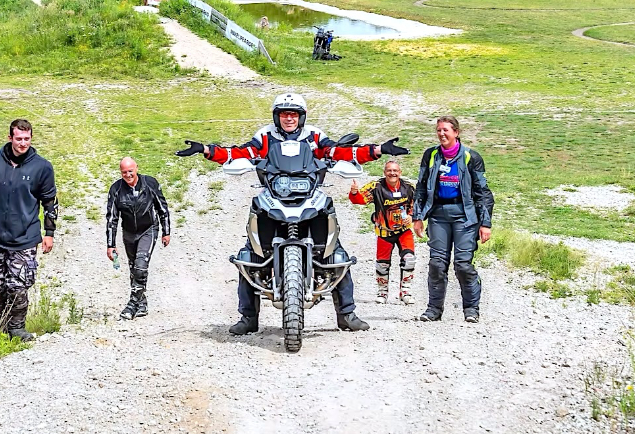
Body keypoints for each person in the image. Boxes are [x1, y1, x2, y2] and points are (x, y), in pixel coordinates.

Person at [175, 91, 408, 336]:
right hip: (273, 196)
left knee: (337, 254)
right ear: (277, 117)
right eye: (284, 114)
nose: (289, 118)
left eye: (294, 114)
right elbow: (239, 153)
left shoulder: (314, 136)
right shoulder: (265, 136)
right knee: (248, 255)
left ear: (301, 117)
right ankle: (248, 317)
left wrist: (379, 149)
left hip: (311, 195)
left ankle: (346, 315)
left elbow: (339, 152)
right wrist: (205, 150)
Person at [0, 118, 58, 341]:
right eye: (18, 139)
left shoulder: (42, 167)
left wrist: (50, 233)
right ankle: (6, 318)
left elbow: (50, 203)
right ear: (10, 138)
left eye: (27, 139)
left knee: (18, 286)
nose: (23, 143)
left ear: (31, 139)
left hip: (24, 237)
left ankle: (16, 328)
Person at [412, 115, 494, 324]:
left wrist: (485, 223)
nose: (441, 134)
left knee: (463, 265)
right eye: (439, 130)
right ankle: (433, 310)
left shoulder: (470, 157)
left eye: (446, 130)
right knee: (437, 264)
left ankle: (471, 309)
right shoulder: (430, 156)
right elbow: (421, 186)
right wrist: (417, 217)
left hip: (465, 217)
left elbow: (483, 192)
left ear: (456, 132)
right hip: (438, 216)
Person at [106, 157, 171, 320]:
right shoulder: (116, 189)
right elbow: (112, 218)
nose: (128, 175)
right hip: (129, 232)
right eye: (124, 172)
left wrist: (166, 231)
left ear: (136, 169)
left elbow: (162, 207)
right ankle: (142, 304)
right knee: (134, 269)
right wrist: (111, 244)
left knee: (141, 266)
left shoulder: (149, 183)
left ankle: (132, 304)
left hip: (148, 229)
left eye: (130, 171)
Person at [349, 159, 416, 305]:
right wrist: (354, 193)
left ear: (400, 173)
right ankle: (382, 292)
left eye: (395, 171)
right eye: (389, 170)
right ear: (384, 172)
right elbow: (360, 199)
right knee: (382, 265)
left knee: (409, 259)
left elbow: (417, 205)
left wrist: (411, 217)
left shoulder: (409, 187)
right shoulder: (376, 187)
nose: (392, 173)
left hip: (404, 232)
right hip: (384, 233)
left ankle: (405, 292)